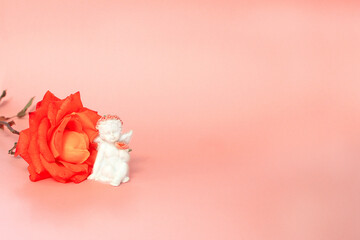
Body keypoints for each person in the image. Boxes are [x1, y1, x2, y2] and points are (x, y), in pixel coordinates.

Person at [88, 115, 133, 186]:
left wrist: (123, 152)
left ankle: (118, 179)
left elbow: (126, 159)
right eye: (108, 133)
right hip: (108, 168)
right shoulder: (104, 146)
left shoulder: (121, 144)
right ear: (102, 135)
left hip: (118, 166)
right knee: (108, 169)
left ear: (119, 131)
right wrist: (94, 173)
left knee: (124, 165)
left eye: (115, 132)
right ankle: (118, 178)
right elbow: (99, 160)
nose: (112, 135)